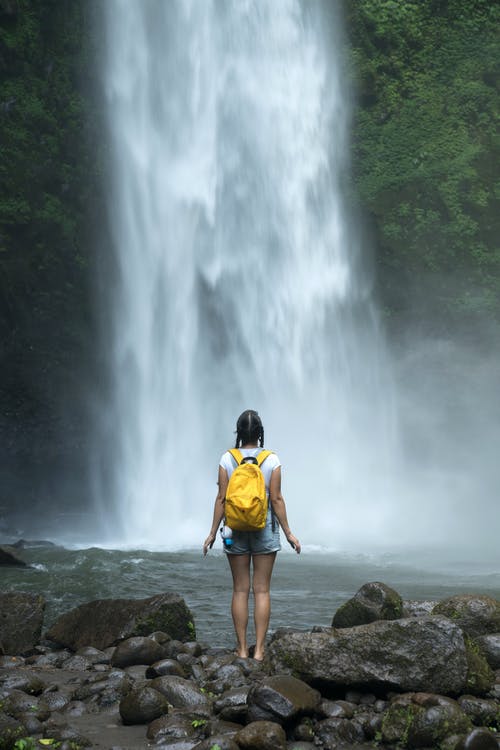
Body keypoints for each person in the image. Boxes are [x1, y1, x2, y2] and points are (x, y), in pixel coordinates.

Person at [203, 409, 300, 660]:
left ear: (238, 433)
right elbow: (276, 499)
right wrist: (289, 533)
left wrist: (212, 533)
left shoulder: (227, 459)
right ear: (260, 434)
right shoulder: (271, 460)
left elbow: (221, 499)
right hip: (264, 526)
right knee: (262, 590)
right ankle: (259, 650)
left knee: (239, 590)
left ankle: (242, 649)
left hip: (233, 528)